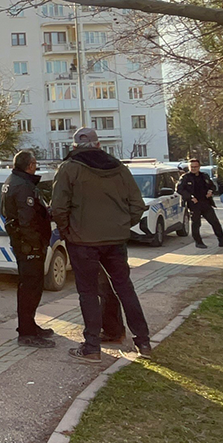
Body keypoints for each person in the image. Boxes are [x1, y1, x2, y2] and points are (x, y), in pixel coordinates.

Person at [51, 127, 152, 362]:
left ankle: (92, 347)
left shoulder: (68, 169)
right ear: (98, 145)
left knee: (88, 293)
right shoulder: (119, 168)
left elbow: (58, 208)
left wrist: (68, 232)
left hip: (82, 242)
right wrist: (121, 226)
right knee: (125, 288)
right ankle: (143, 342)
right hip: (115, 240)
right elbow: (138, 205)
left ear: (74, 147)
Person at [1, 150, 57, 348]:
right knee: (30, 288)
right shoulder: (23, 186)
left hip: (24, 244)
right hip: (29, 246)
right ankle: (26, 332)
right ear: (30, 164)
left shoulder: (13, 180)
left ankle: (30, 325)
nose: (36, 166)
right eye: (35, 163)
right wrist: (36, 244)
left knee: (30, 287)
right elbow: (27, 221)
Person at [177, 157, 223, 249]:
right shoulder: (185, 178)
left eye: (195, 166)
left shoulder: (204, 176)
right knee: (196, 224)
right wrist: (190, 197)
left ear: (199, 167)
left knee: (215, 222)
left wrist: (210, 191)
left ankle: (222, 241)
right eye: (192, 167)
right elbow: (179, 189)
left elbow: (212, 186)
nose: (194, 168)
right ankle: (198, 242)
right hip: (194, 204)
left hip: (206, 203)